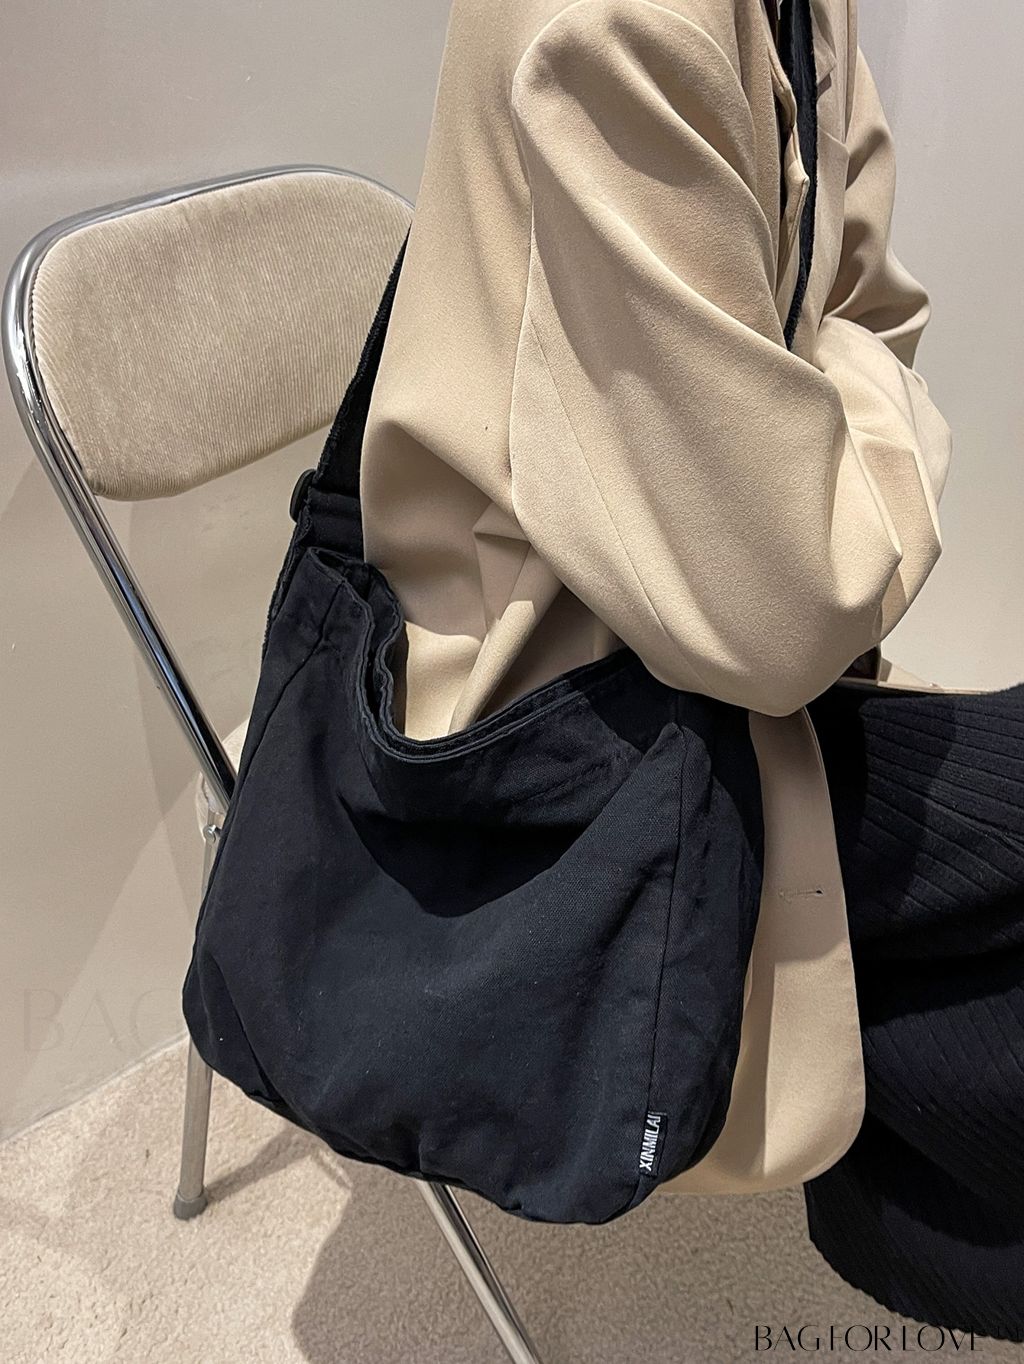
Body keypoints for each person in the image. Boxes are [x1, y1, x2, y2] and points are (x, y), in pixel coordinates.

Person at [357, 0, 1024, 1339]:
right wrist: (821, 431)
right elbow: (788, 605)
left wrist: (813, 446)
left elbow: (870, 308)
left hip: (695, 636)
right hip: (543, 713)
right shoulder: (616, 25)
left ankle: (903, 1194)